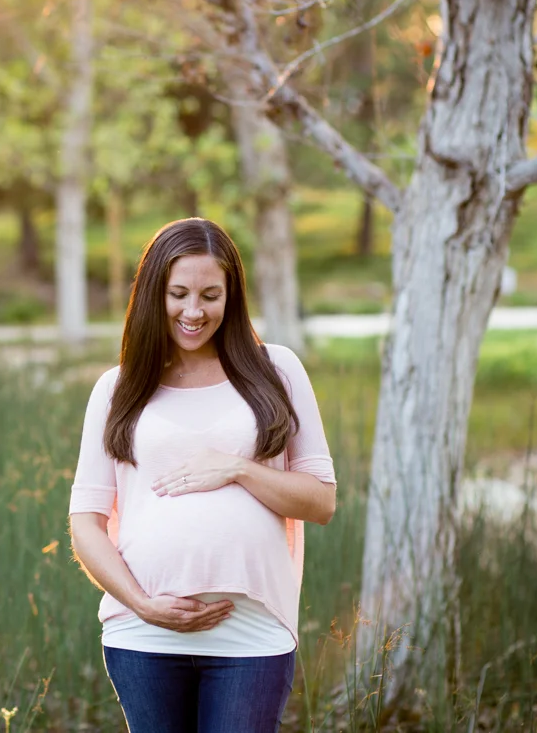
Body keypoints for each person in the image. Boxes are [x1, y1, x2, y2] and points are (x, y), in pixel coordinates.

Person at [68, 217, 337, 733]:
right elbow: (85, 523)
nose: (194, 311)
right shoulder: (118, 388)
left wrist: (237, 468)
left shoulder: (275, 371)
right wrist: (144, 605)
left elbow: (321, 502)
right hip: (142, 635)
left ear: (231, 296)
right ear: (154, 295)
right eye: (179, 294)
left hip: (252, 632)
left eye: (210, 295)